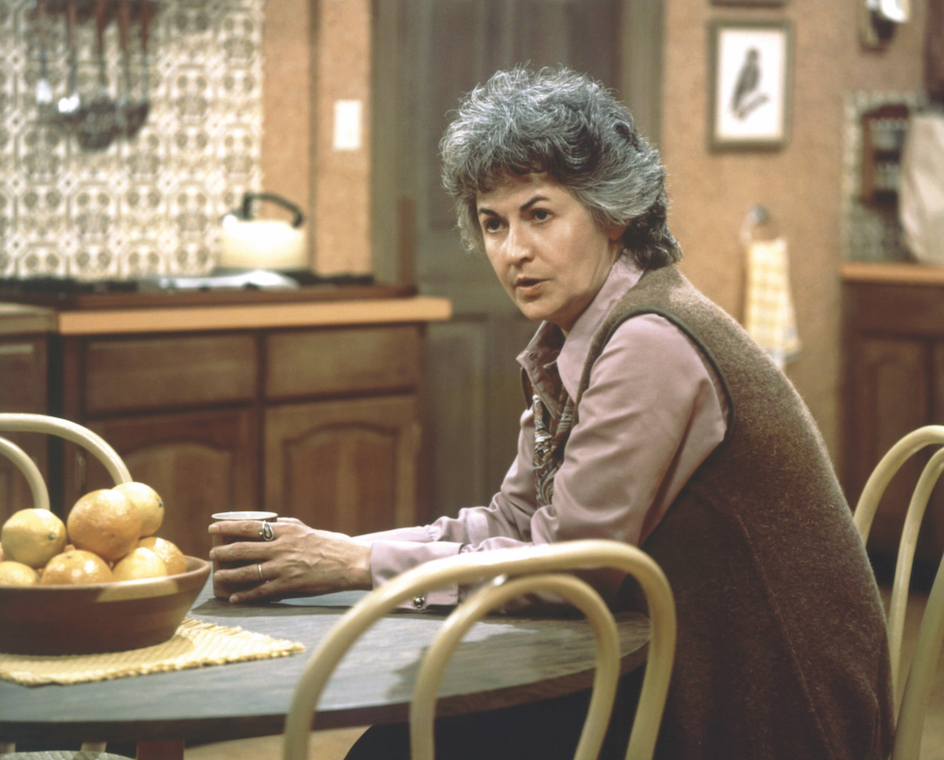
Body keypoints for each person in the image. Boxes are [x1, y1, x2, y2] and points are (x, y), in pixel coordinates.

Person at [210, 66, 894, 760]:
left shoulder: (649, 341)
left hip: (769, 712)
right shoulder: (577, 338)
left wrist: (356, 564)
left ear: (611, 211)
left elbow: (567, 571)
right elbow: (513, 523)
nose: (513, 252)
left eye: (539, 214)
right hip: (679, 669)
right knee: (403, 739)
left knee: (396, 750)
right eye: (493, 224)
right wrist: (337, 548)